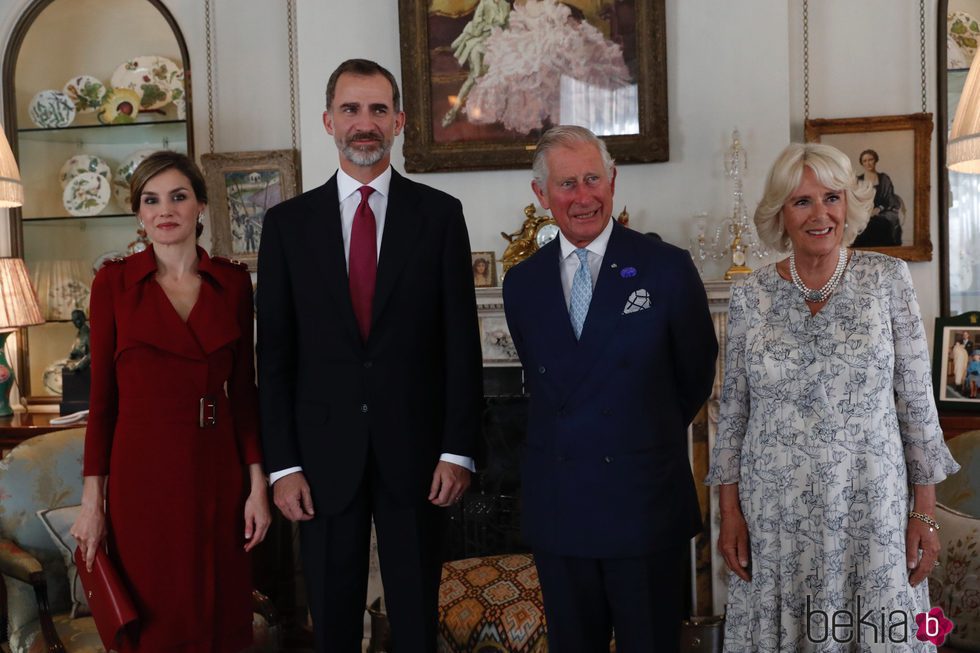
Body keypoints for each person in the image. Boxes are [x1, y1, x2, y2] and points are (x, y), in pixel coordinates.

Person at [256, 59, 483, 652]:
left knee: (415, 618)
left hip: (418, 454)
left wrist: (457, 451)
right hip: (320, 457)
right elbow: (274, 356)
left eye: (378, 109)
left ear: (400, 121)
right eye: (352, 109)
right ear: (329, 120)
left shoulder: (439, 216)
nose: (365, 123)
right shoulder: (286, 226)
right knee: (331, 620)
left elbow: (462, 344)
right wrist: (283, 466)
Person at [706, 142, 960, 651]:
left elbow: (916, 404)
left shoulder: (887, 279)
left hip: (872, 512)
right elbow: (732, 412)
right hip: (774, 517)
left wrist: (925, 514)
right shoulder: (751, 294)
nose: (820, 214)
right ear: (781, 212)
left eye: (831, 198)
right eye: (802, 202)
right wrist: (729, 514)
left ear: (849, 204)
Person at [502, 125, 717, 651]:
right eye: (567, 184)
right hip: (562, 512)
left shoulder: (666, 267)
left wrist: (637, 437)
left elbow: (696, 372)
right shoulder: (522, 282)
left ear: (613, 181)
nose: (582, 197)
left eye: (592, 179)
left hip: (644, 506)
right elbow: (546, 383)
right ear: (541, 194)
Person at [70, 151, 271, 652]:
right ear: (138, 213)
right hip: (143, 475)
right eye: (151, 199)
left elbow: (245, 395)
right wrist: (92, 503)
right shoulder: (113, 283)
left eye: (179, 196)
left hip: (216, 469)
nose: (166, 210)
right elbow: (102, 403)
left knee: (219, 609)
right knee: (159, 616)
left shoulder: (232, 282)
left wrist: (257, 486)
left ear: (200, 205)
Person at [442, 0, 510, 127]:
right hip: (480, 41)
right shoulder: (485, 3)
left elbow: (507, 27)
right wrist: (490, 26)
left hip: (498, 43)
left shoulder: (505, 5)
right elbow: (476, 25)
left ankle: (497, 110)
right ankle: (453, 111)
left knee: (502, 72)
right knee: (475, 75)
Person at [852, 148, 903, 247]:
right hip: (864, 211)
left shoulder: (884, 178)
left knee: (881, 223)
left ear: (875, 160)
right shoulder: (858, 180)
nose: (868, 163)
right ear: (862, 163)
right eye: (865, 161)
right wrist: (866, 212)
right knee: (859, 224)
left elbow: (890, 199)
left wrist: (879, 209)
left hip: (883, 210)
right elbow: (854, 200)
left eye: (870, 159)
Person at [63, 308, 90, 373]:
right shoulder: (80, 333)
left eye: (78, 319)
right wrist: (72, 355)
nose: (76, 322)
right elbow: (77, 349)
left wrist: (79, 366)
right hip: (76, 362)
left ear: (84, 318)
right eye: (74, 320)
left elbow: (91, 354)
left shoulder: (88, 333)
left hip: (84, 368)